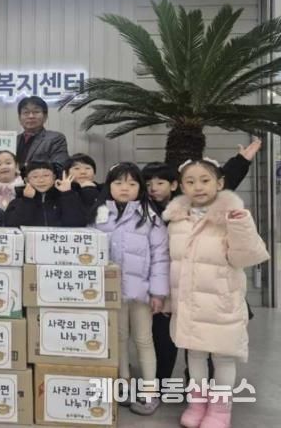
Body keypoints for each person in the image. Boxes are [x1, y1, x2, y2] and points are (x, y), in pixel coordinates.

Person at [163, 159, 269, 428]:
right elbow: (171, 264)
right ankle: (197, 405)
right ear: (182, 187)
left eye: (205, 180)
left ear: (220, 183)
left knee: (223, 358)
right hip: (189, 304)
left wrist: (241, 225)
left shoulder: (232, 217)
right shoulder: (176, 221)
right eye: (190, 182)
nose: (198, 187)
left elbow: (248, 257)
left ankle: (220, 411)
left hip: (221, 303)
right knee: (195, 356)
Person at [91, 162, 169, 416]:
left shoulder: (150, 217)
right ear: (109, 186)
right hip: (110, 293)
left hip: (141, 293)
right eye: (118, 183)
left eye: (132, 183)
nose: (125, 188)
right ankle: (123, 384)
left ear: (140, 188)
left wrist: (158, 292)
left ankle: (149, 392)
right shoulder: (99, 214)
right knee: (118, 338)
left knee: (144, 340)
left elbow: (161, 256)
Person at [4, 160, 86, 227]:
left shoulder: (67, 197)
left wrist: (67, 194)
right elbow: (12, 226)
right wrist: (27, 200)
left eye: (46, 175)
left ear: (54, 178)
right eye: (35, 177)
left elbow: (78, 223)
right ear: (27, 180)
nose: (41, 180)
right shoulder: (17, 202)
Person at [16, 96, 69, 168]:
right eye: (26, 112)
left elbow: (59, 166)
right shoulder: (14, 140)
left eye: (36, 112)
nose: (31, 116)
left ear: (45, 117)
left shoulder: (56, 138)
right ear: (19, 118)